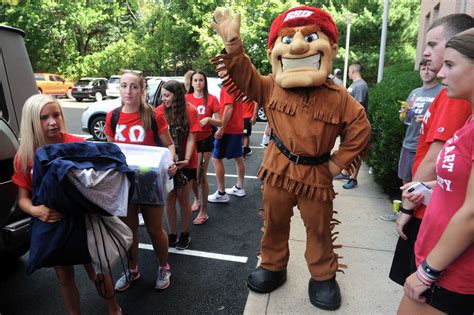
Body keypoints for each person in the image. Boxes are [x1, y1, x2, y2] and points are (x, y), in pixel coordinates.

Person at [211, 6, 371, 310]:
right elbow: (242, 77)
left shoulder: (339, 97)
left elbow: (361, 128)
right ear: (274, 50)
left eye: (310, 37)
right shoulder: (270, 86)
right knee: (274, 222)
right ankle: (272, 265)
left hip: (317, 175)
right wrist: (233, 45)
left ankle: (323, 276)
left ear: (331, 48)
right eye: (288, 39)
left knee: (319, 227)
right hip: (278, 170)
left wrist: (337, 163)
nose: (298, 45)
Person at [12, 94, 121, 314]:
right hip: (53, 223)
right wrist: (36, 210)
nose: (53, 121)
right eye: (44, 117)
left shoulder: (78, 144)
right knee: (64, 276)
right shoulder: (24, 155)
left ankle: (114, 309)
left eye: (56, 115)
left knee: (97, 270)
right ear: (32, 120)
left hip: (84, 220)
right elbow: (23, 198)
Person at [389, 14, 473, 289]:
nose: (425, 53)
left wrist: (408, 208)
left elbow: (436, 158)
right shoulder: (449, 93)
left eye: (433, 44)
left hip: (432, 221)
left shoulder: (457, 97)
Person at [104, 70, 177, 292]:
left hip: (149, 180)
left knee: (155, 229)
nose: (129, 90)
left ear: (142, 90)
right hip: (124, 181)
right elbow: (110, 150)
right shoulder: (113, 116)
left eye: (134, 86)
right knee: (129, 230)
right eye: (124, 85)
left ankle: (164, 267)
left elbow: (169, 146)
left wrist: (169, 163)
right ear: (120, 88)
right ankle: (132, 270)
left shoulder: (153, 115)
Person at [380, 59, 442, 222]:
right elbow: (405, 117)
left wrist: (429, 121)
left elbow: (444, 121)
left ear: (436, 70)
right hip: (408, 142)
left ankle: (420, 217)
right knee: (406, 181)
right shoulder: (415, 93)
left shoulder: (442, 92)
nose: (426, 71)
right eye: (423, 68)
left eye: (429, 68)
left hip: (428, 147)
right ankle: (402, 212)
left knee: (424, 183)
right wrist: (404, 113)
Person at [157, 80, 201, 249]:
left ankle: (185, 233)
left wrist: (187, 160)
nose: (164, 99)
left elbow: (191, 137)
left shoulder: (190, 110)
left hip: (186, 162)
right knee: (170, 198)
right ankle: (172, 234)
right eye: (162, 96)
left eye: (167, 95)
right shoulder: (159, 111)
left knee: (183, 198)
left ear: (177, 96)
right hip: (168, 163)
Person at [185, 70, 221, 225]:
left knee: (201, 176)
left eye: (201, 80)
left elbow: (220, 122)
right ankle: (197, 200)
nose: (198, 83)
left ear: (204, 82)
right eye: (195, 80)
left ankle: (204, 211)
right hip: (190, 141)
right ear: (191, 82)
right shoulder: (186, 98)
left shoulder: (212, 99)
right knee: (192, 175)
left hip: (205, 140)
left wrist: (208, 120)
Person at [207, 85, 247, 203]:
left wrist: (222, 128)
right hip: (237, 126)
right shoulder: (236, 85)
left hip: (230, 128)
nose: (220, 70)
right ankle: (239, 187)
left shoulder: (228, 86)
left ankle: (221, 193)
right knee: (238, 157)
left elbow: (229, 108)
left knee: (216, 159)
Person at [342, 62, 369, 189]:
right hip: (349, 124)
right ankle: (346, 172)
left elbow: (359, 106)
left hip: (357, 124)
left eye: (348, 71)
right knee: (347, 148)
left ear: (353, 71)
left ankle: (353, 178)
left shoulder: (361, 86)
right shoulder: (354, 85)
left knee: (356, 151)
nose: (348, 73)